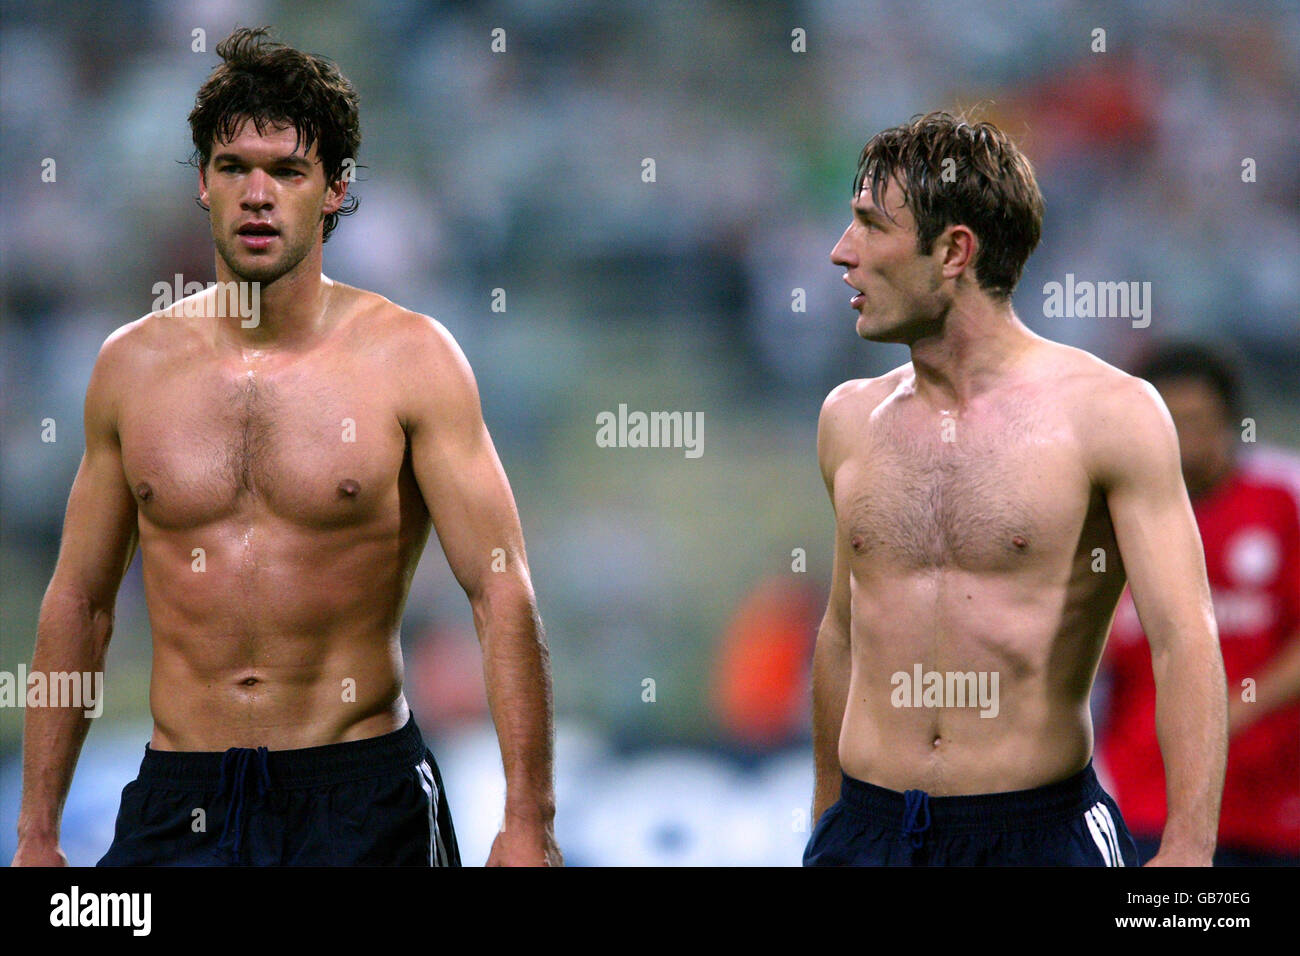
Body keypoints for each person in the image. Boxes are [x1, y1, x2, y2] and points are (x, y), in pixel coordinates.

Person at [13, 27, 560, 867]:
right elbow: (79, 603)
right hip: (180, 795)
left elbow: (500, 591)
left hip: (359, 797)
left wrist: (528, 819)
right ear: (202, 183)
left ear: (336, 190)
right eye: (234, 168)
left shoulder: (412, 359)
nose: (257, 195)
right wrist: (37, 833)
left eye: (288, 171)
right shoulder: (130, 367)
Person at [804, 112, 1226, 866]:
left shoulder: (1111, 415)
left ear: (955, 251)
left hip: (1036, 834)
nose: (843, 253)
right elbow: (842, 633)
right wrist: (827, 819)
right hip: (866, 830)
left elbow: (1183, 636)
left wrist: (1190, 849)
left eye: (870, 226)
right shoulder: (848, 418)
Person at [1099, 342, 1300, 865]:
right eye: (1172, 424)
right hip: (1144, 800)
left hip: (1272, 803)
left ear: (1231, 422)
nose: (1186, 442)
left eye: (1199, 422)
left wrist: (1232, 710)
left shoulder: (1280, 500)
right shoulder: (1106, 521)